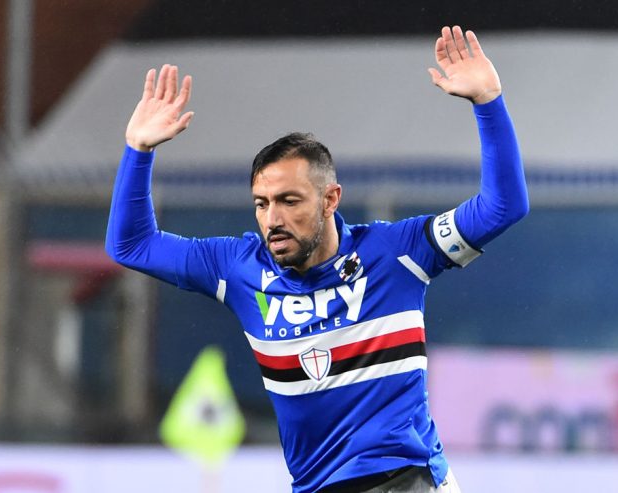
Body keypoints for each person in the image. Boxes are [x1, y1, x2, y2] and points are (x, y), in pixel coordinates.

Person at [106, 25, 528, 493]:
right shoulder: (239, 268)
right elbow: (132, 245)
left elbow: (502, 206)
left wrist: (488, 102)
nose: (273, 219)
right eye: (262, 204)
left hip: (406, 479)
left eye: (289, 201)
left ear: (330, 199)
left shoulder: (396, 253)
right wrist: (138, 150)